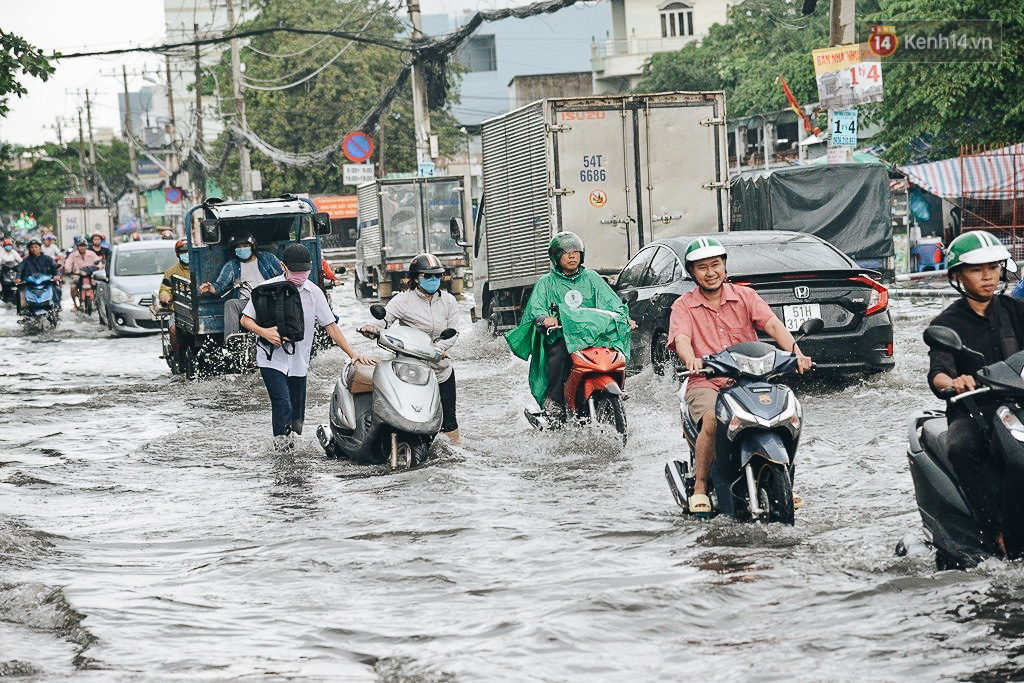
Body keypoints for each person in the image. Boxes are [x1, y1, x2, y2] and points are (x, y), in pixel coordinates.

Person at [668, 236, 811, 515]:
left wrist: (797, 353)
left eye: (715, 265)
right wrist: (692, 359)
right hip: (707, 382)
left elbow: (772, 324)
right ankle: (699, 487)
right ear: (692, 273)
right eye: (702, 267)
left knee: (785, 416)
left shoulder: (745, 296)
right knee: (712, 420)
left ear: (724, 266)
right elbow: (682, 338)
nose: (710, 272)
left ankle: (786, 481)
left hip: (751, 380)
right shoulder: (683, 306)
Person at [927, 230, 1024, 558]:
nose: (987, 276)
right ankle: (994, 529)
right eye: (976, 269)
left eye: (993, 267)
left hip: (1018, 406)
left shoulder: (1015, 311)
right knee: (960, 447)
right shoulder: (947, 322)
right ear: (957, 276)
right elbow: (938, 372)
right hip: (974, 411)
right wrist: (953, 383)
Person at [241, 242, 374, 441]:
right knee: (282, 405)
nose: (300, 276)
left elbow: (331, 327)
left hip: (299, 362)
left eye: (304, 271)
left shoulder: (315, 293)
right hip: (271, 359)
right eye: (295, 271)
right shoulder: (266, 290)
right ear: (283, 267)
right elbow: (245, 319)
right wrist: (265, 332)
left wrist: (353, 354)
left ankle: (293, 449)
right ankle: (281, 450)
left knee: (297, 418)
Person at [505, 231, 633, 420]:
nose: (572, 256)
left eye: (576, 251)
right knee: (558, 354)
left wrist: (624, 318)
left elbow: (612, 303)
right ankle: (554, 401)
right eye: (566, 252)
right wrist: (545, 319)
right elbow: (537, 309)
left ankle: (614, 392)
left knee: (614, 353)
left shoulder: (592, 278)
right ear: (556, 257)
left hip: (593, 336)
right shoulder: (546, 282)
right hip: (562, 336)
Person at [360, 253, 462, 444]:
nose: (434, 280)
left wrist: (437, 351)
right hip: (411, 370)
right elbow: (383, 319)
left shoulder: (449, 301)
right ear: (416, 278)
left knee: (449, 423)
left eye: (437, 276)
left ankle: (454, 459)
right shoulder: (403, 300)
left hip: (441, 369)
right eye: (428, 276)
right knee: (408, 415)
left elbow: (454, 332)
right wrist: (372, 327)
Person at [199, 232, 282, 340]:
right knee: (230, 304)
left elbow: (283, 275)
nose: (242, 249)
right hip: (246, 302)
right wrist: (209, 288)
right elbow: (219, 286)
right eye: (238, 247)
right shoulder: (232, 266)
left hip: (269, 299)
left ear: (253, 247)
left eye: (245, 246)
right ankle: (233, 342)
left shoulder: (267, 258)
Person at [15, 239, 61, 313]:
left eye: (36, 247)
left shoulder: (48, 259)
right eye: (32, 247)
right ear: (29, 249)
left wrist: (57, 275)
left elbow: (55, 268)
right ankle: (21, 311)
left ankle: (57, 308)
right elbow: (20, 269)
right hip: (30, 284)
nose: (34, 249)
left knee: (57, 290)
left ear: (40, 248)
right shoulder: (26, 261)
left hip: (46, 283)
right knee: (18, 292)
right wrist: (18, 278)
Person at [63, 239, 102, 311]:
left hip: (91, 277)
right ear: (77, 247)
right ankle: (75, 304)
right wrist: (68, 269)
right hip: (78, 276)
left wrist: (98, 267)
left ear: (86, 246)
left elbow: (98, 262)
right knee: (73, 287)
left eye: (83, 246)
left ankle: (98, 302)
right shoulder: (73, 255)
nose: (82, 248)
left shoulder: (91, 254)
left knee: (99, 286)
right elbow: (68, 264)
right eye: (80, 246)